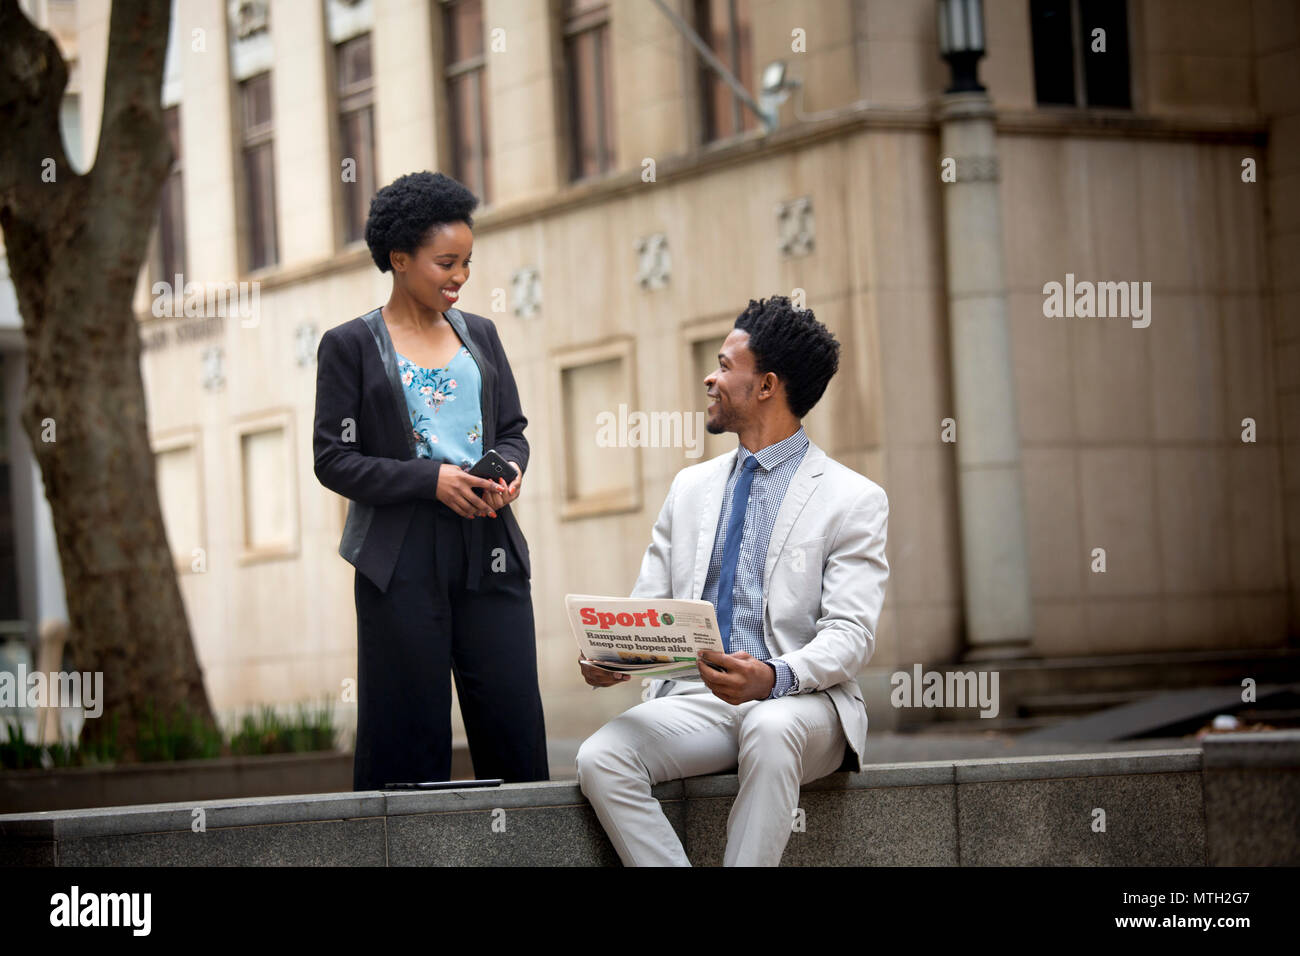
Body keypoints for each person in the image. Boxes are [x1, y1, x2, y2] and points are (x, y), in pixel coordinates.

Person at [575, 296, 889, 866]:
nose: (710, 377)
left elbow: (851, 635)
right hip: (699, 700)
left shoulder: (853, 499)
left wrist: (773, 675)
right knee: (602, 758)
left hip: (802, 704)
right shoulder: (690, 487)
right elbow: (651, 606)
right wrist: (617, 656)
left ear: (766, 386)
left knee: (769, 729)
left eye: (724, 365)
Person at [313, 171, 548, 790]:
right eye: (446, 262)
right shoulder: (349, 347)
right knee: (407, 742)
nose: (460, 276)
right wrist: (430, 479)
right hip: (399, 559)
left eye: (467, 262)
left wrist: (510, 468)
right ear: (399, 259)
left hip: (490, 545)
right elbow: (333, 460)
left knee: (513, 725)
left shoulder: (482, 335)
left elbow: (512, 428)